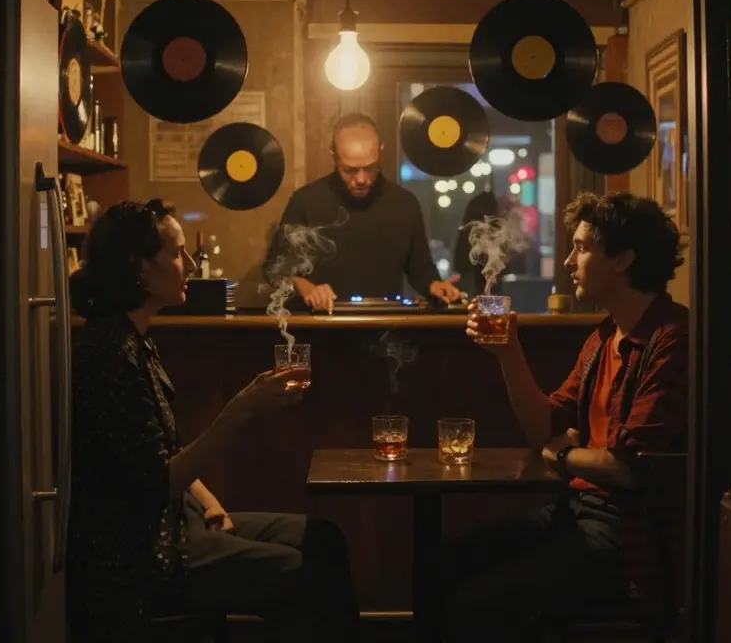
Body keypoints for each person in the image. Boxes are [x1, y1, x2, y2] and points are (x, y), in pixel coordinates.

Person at [66, 199, 361, 642]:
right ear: (138, 268)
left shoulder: (134, 338)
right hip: (141, 553)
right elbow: (152, 482)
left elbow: (160, 452)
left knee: (323, 539)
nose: (188, 263)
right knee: (307, 577)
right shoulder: (108, 352)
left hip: (174, 519)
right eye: (176, 253)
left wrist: (206, 500)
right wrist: (242, 408)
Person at [446, 191, 688, 640]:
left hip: (627, 532)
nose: (568, 262)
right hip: (579, 508)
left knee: (479, 602)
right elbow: (544, 427)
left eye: (582, 247)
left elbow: (630, 469)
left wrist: (564, 455)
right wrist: (508, 355)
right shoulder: (604, 337)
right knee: (449, 562)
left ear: (622, 260)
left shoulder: (670, 339)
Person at [264, 113, 461, 311]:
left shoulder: (404, 203)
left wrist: (435, 286)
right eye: (350, 170)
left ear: (380, 152)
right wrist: (307, 289)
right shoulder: (307, 201)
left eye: (370, 168)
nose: (361, 179)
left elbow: (420, 269)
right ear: (333, 155)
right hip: (320, 326)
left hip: (385, 327)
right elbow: (275, 269)